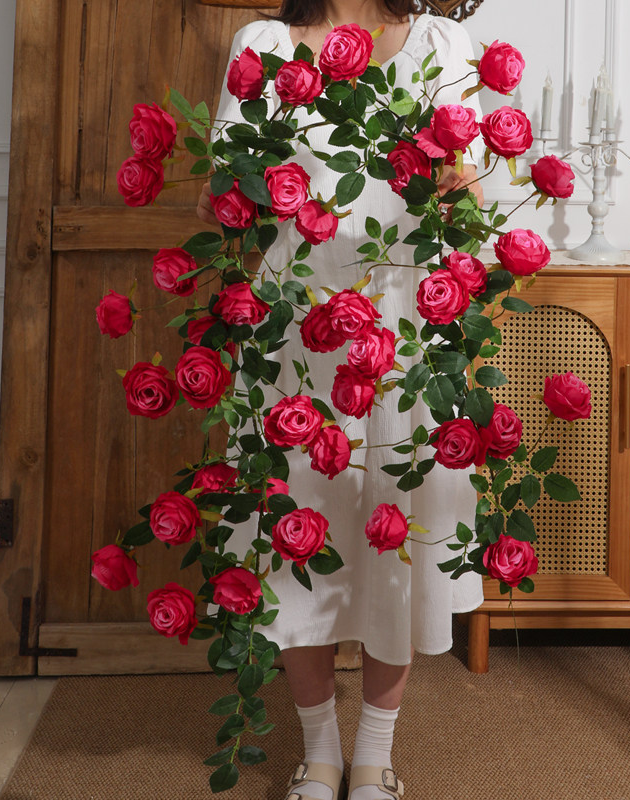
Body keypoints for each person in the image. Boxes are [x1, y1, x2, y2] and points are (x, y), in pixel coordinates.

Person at [197, 2, 485, 798]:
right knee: (295, 538)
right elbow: (221, 208)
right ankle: (319, 750)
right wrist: (236, 191)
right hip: (293, 333)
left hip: (404, 332)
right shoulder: (262, 45)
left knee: (397, 535)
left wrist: (463, 191)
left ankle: (374, 755)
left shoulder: (439, 43)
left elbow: (466, 211)